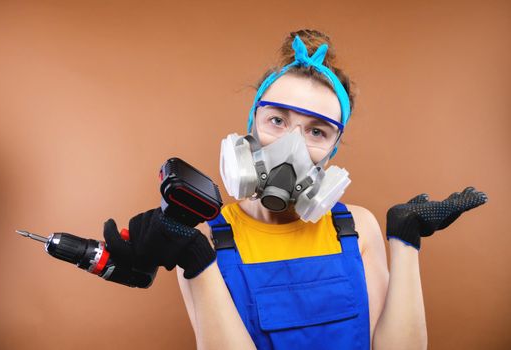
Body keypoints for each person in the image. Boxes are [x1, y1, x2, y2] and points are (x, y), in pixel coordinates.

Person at [103, 29, 488, 350]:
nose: (292, 146)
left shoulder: (356, 227)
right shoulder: (205, 236)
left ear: (333, 149)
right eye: (277, 120)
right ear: (251, 125)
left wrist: (405, 243)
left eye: (316, 131)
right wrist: (199, 262)